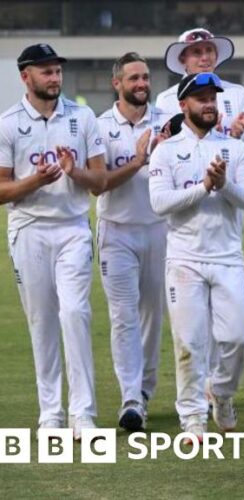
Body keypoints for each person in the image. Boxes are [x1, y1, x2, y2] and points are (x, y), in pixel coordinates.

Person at [0, 44, 106, 439]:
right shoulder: (8, 123)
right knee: (42, 321)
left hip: (73, 229)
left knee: (75, 314)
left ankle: (83, 413)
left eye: (57, 71)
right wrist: (36, 180)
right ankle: (51, 414)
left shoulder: (82, 118)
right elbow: (1, 189)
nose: (55, 78)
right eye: (46, 72)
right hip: (28, 230)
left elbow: (101, 183)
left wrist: (73, 172)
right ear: (25, 76)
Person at [148, 72, 244, 440]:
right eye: (201, 98)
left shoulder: (235, 148)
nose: (210, 104)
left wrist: (224, 185)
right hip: (184, 259)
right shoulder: (165, 151)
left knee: (239, 337)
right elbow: (160, 203)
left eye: (213, 98)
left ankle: (222, 394)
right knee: (190, 342)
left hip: (227, 256)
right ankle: (192, 416)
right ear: (184, 105)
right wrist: (204, 187)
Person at [96, 52, 171, 432]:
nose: (142, 84)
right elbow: (100, 185)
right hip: (117, 231)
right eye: (134, 79)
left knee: (151, 317)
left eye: (145, 77)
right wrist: (140, 159)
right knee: (123, 317)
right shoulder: (99, 127)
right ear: (117, 84)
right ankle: (130, 398)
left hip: (159, 229)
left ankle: (144, 393)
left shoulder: (166, 123)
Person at [156, 28, 244, 156]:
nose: (205, 57)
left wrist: (235, 137)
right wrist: (207, 137)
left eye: (209, 50)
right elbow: (162, 151)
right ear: (183, 59)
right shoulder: (166, 99)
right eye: (197, 52)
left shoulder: (237, 92)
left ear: (216, 55)